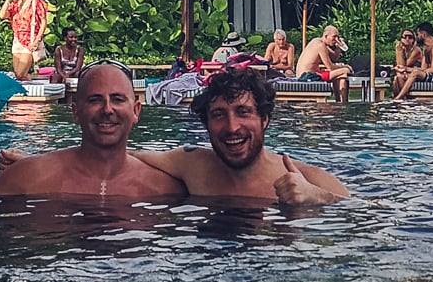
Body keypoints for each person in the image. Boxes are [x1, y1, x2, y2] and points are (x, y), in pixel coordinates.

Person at [139, 66, 348, 205]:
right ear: (207, 124)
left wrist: (317, 196)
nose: (232, 127)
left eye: (243, 112)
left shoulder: (308, 179)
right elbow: (124, 156)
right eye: (219, 115)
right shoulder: (192, 164)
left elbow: (362, 211)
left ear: (264, 119)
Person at [0, 61, 185, 202]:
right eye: (94, 100)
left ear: (135, 111)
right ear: (76, 113)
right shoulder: (27, 177)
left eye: (117, 99)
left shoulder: (164, 188)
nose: (107, 109)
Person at [0, 0, 52, 80]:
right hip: (17, 40)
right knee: (19, 76)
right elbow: (2, 15)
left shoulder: (35, 1)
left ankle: (32, 85)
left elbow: (43, 21)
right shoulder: (15, 4)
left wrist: (37, 40)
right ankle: (28, 91)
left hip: (30, 40)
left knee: (20, 73)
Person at [295, 25, 352, 103]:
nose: (336, 39)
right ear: (326, 36)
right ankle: (342, 103)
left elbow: (334, 57)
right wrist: (344, 66)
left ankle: (340, 102)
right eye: (334, 37)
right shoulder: (320, 45)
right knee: (345, 71)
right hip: (308, 77)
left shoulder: (318, 41)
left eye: (337, 37)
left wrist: (339, 47)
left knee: (342, 76)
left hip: (313, 74)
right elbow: (330, 67)